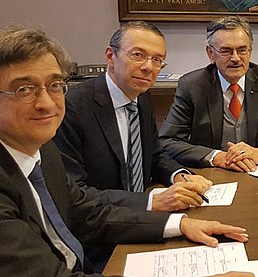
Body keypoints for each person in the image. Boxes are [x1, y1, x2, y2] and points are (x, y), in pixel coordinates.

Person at [0, 26, 258, 277]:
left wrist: (181, 223)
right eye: (24, 89)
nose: (46, 103)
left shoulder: (42, 149)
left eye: (55, 85)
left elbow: (84, 211)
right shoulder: (61, 121)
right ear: (110, 56)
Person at [54, 22, 211, 213]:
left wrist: (179, 175)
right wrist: (151, 201)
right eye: (138, 55)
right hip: (100, 223)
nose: (148, 67)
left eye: (157, 60)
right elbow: (74, 191)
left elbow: (154, 155)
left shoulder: (141, 96)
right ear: (111, 56)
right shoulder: (72, 106)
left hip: (140, 218)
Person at [160, 15, 258, 172]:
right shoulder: (192, 85)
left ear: (250, 51)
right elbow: (168, 141)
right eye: (226, 51)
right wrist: (217, 157)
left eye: (242, 50)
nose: (235, 58)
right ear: (210, 54)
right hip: (214, 174)